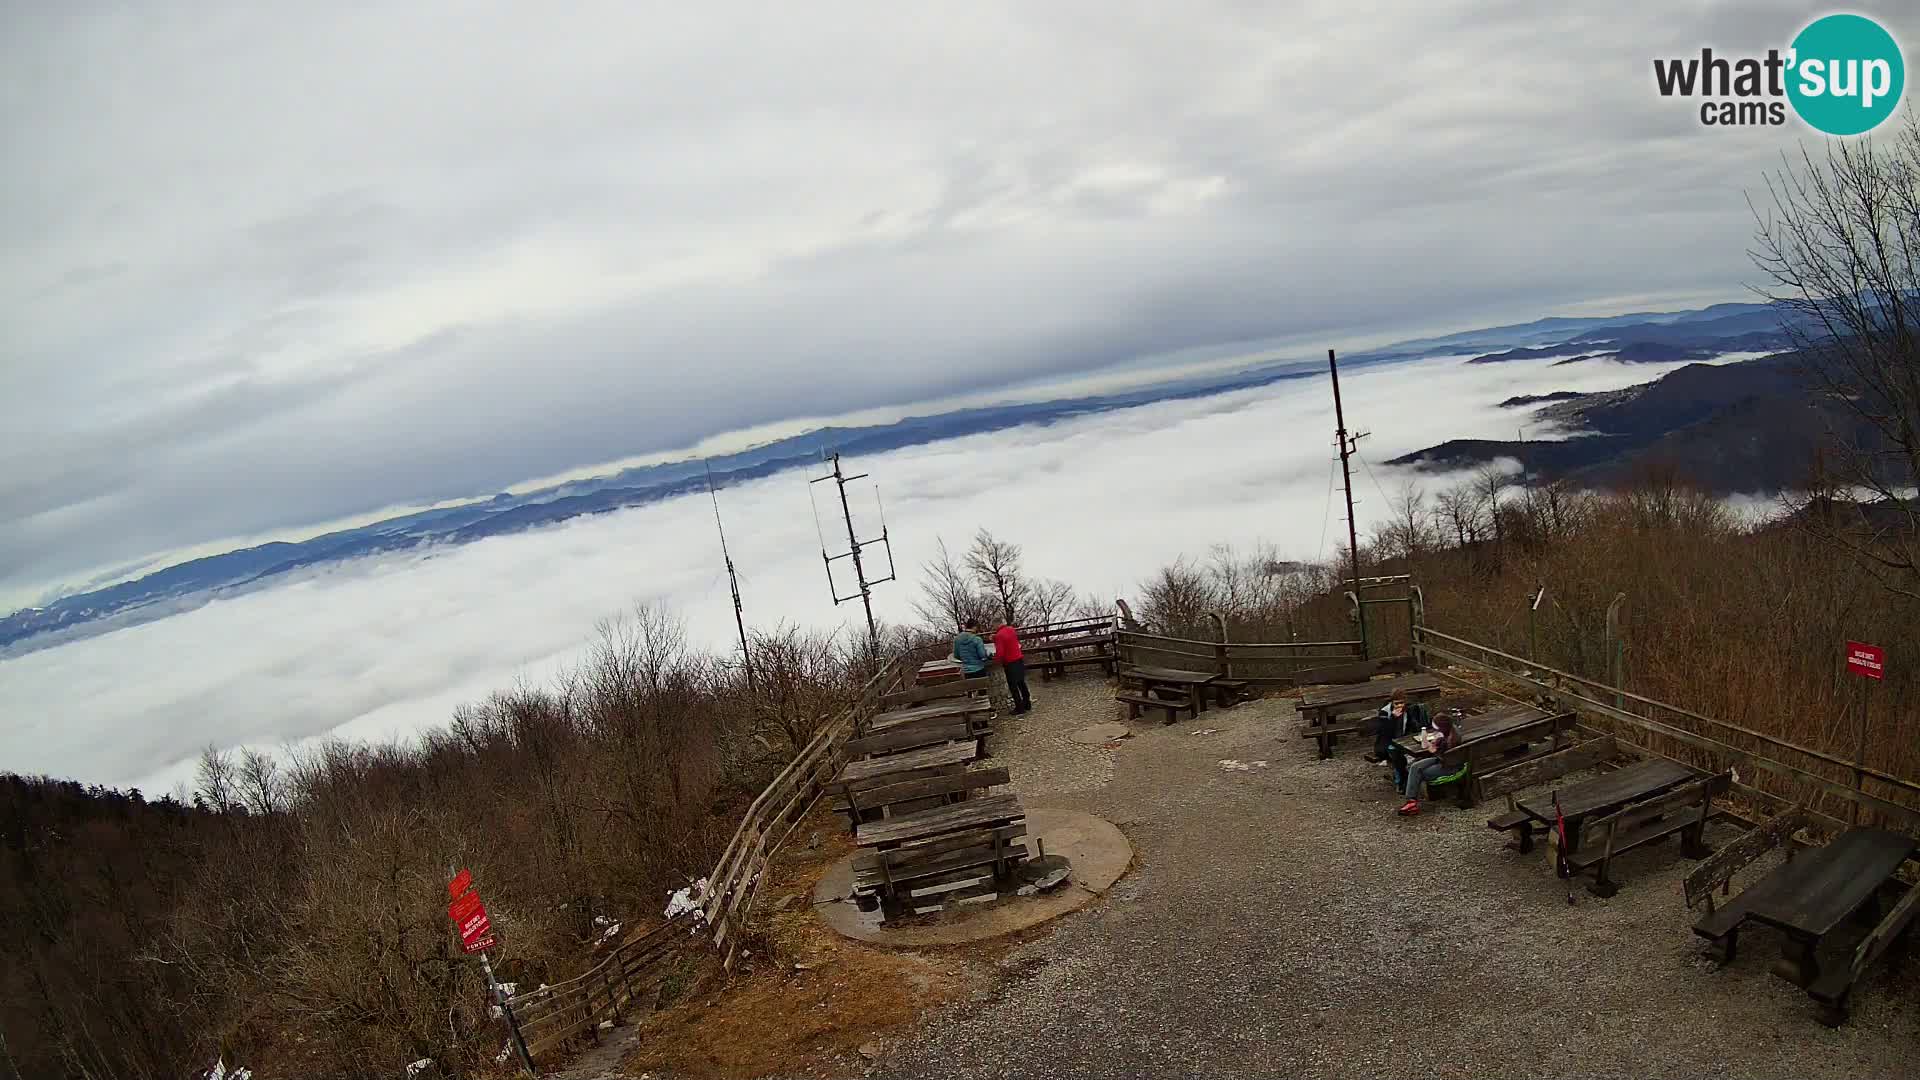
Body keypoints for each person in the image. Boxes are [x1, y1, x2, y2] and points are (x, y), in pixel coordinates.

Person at [1397, 709, 1461, 816]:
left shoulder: (1448, 740)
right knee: (1415, 767)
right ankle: (1411, 801)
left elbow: (1431, 750)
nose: (1434, 730)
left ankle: (1412, 801)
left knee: (1419, 772)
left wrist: (1432, 744)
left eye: (1436, 728)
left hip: (1449, 765)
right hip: (1444, 759)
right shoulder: (1451, 732)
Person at [992, 617, 1031, 715]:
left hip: (1010, 663)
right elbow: (1009, 640)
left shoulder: (999, 635)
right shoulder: (1011, 629)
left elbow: (1000, 652)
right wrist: (994, 637)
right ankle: (1027, 703)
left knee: (1013, 686)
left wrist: (995, 661)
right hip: (1019, 659)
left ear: (996, 624)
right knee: (1021, 683)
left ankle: (1019, 708)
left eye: (993, 626)